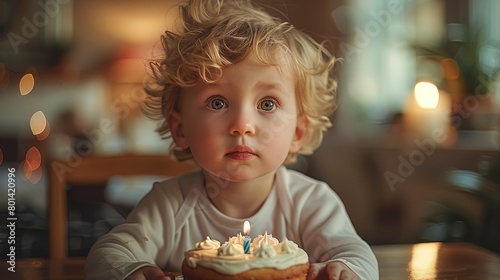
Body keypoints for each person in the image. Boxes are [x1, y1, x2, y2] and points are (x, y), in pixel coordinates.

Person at [85, 0, 378, 279]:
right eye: (217, 103)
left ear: (298, 133)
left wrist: (345, 268)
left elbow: (358, 256)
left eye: (267, 104)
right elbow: (107, 254)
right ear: (181, 129)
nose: (242, 126)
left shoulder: (311, 203)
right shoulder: (168, 206)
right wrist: (130, 271)